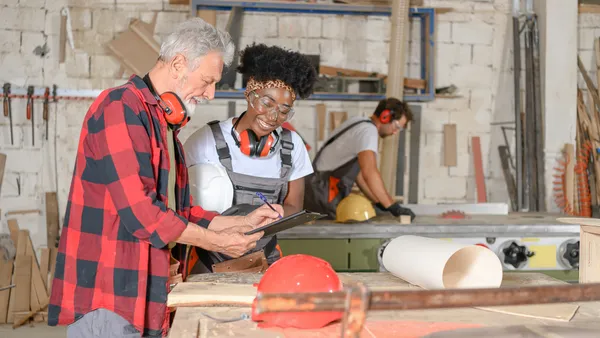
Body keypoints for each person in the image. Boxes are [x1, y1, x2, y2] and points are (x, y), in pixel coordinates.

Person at [48, 18, 282, 338]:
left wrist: (239, 223)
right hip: (111, 297)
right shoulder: (120, 108)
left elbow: (175, 212)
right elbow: (142, 213)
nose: (211, 94)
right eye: (207, 80)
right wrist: (216, 242)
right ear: (178, 63)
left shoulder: (164, 124)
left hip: (148, 292)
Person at [183, 43, 317, 272]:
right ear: (250, 95)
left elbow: (295, 204)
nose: (273, 116)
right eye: (267, 103)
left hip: (264, 262)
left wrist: (280, 214)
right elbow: (181, 206)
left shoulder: (293, 146)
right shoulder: (205, 140)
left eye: (284, 110)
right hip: (208, 264)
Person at [303, 97, 416, 221]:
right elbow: (370, 172)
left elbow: (360, 176)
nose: (395, 132)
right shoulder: (368, 131)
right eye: (397, 126)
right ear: (385, 117)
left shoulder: (359, 122)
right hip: (323, 191)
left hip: (317, 187)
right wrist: (392, 206)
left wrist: (379, 202)